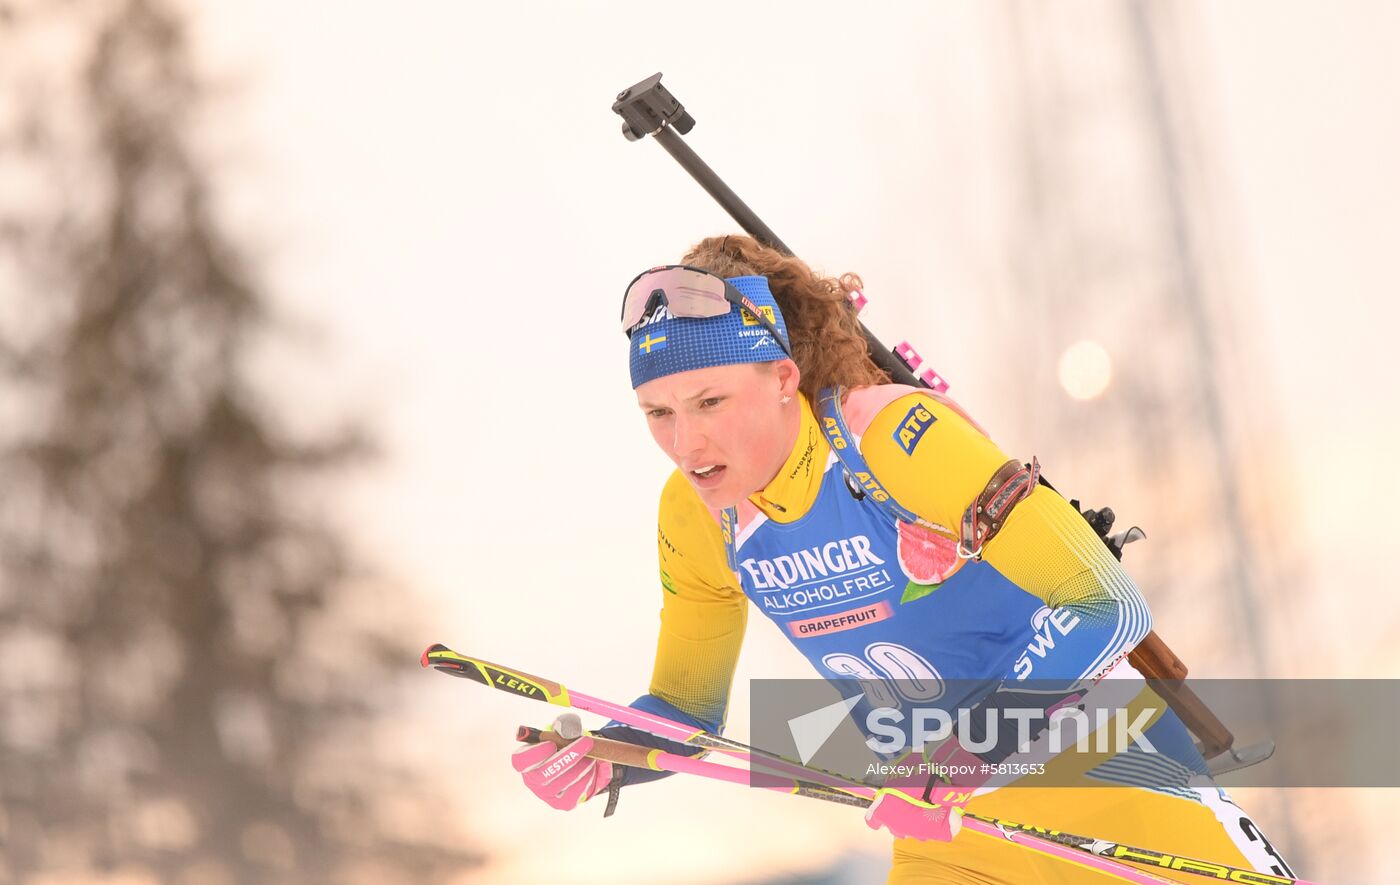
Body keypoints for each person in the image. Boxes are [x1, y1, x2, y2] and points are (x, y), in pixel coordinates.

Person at [510, 235, 1296, 883]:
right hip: (949, 829)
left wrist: (968, 748)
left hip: (1108, 780)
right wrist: (604, 753)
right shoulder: (693, 515)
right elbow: (687, 709)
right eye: (658, 413)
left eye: (711, 402)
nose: (687, 444)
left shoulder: (890, 439)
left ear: (782, 377)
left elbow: (1109, 605)